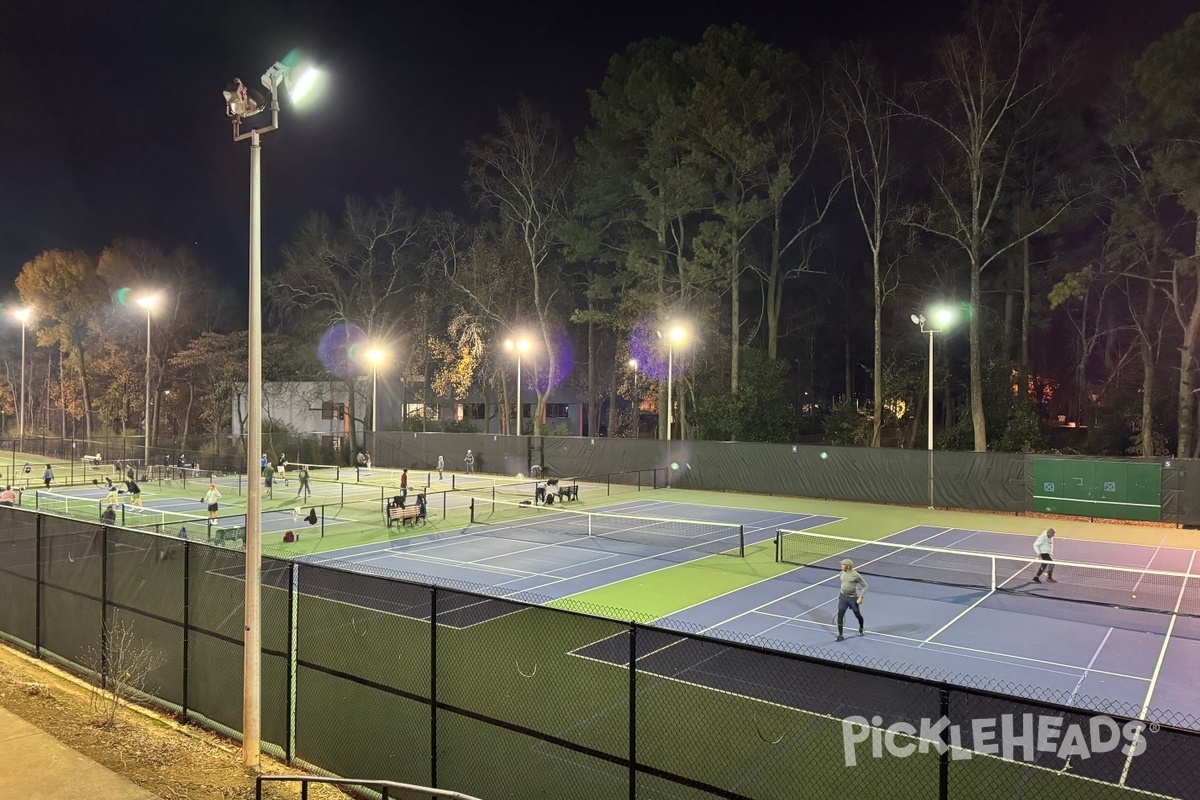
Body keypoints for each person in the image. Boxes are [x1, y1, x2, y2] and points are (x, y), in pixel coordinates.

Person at [835, 559, 867, 642]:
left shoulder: (856, 575)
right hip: (843, 597)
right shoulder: (841, 573)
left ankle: (861, 628)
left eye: (843, 564)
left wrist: (861, 597)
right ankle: (840, 635)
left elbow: (865, 586)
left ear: (848, 566)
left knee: (857, 615)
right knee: (840, 615)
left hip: (853, 599)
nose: (841, 566)